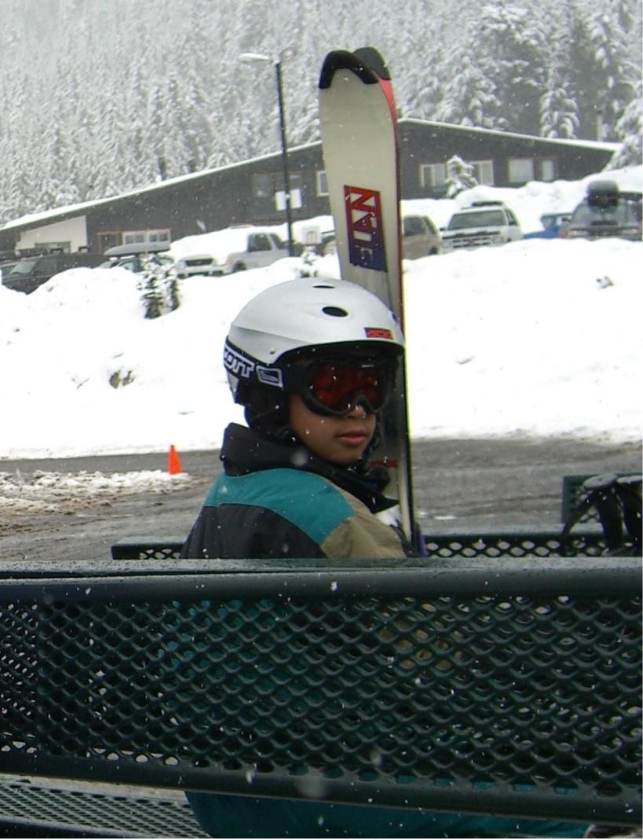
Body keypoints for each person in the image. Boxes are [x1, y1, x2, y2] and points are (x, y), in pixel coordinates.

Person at [183, 276, 589, 840]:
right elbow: (436, 654)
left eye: (373, 387)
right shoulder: (327, 513)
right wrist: (548, 650)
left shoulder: (235, 492)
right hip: (325, 794)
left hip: (239, 788)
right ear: (270, 391)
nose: (359, 409)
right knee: (571, 794)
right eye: (332, 385)